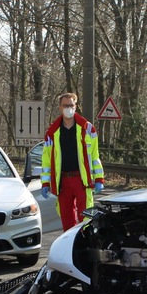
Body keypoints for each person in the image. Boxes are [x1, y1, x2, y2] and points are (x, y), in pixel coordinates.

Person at [39, 92, 105, 231]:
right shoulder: (53, 132)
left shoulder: (87, 129)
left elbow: (94, 155)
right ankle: (69, 247)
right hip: (63, 181)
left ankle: (85, 246)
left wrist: (99, 179)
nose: (68, 108)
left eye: (71, 105)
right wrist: (45, 182)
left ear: (76, 106)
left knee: (86, 218)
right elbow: (46, 160)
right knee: (66, 219)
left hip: (82, 180)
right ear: (60, 108)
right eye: (65, 105)